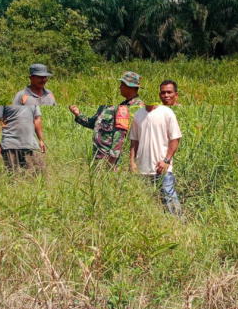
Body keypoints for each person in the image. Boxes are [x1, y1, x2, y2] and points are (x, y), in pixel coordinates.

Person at [129, 81, 183, 216]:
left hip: (162, 168)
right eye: (163, 92)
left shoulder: (167, 112)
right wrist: (132, 162)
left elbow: (175, 139)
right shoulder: (138, 115)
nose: (165, 95)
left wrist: (166, 160)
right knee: (147, 202)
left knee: (169, 198)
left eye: (169, 92)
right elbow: (134, 141)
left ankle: (178, 227)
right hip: (142, 169)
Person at [69, 71, 144, 167]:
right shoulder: (115, 106)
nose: (119, 87)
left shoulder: (136, 106)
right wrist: (78, 114)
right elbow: (95, 124)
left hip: (109, 159)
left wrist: (111, 160)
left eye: (122, 84)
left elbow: (120, 135)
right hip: (98, 155)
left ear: (131, 87)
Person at [0, 63, 54, 174]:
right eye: (39, 77)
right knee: (14, 178)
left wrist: (41, 140)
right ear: (30, 77)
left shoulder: (50, 94)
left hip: (31, 144)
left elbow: (37, 119)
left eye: (45, 77)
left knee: (40, 176)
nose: (43, 80)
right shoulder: (21, 96)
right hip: (11, 145)